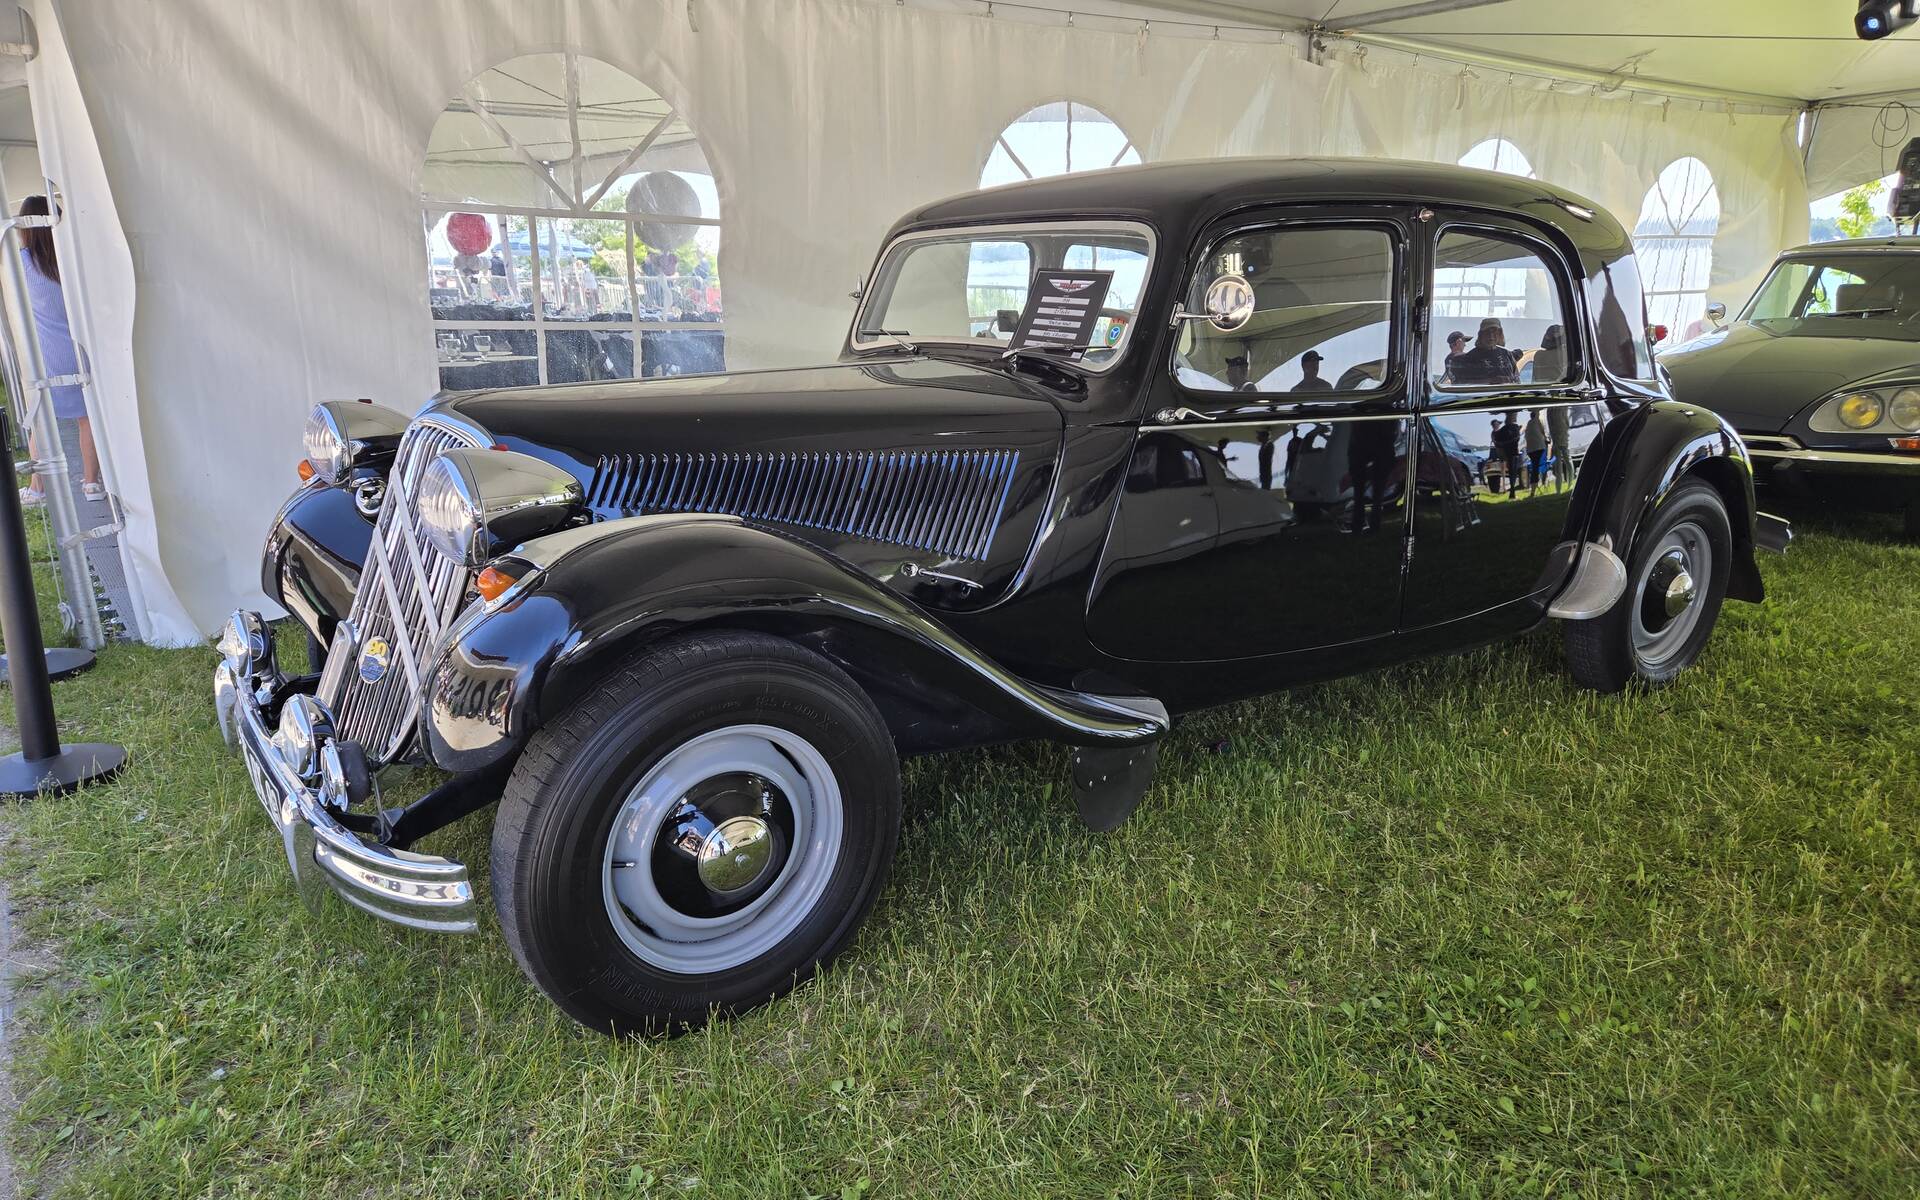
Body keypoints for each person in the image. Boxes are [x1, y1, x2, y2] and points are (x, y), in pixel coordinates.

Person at [17, 195, 102, 506]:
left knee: (41, 420)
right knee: (87, 419)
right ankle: (92, 485)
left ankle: (37, 487)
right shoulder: (71, 261)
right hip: (81, 350)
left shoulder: (23, 263)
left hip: (47, 354)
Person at [1448, 318, 1520, 385]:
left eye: (1495, 332)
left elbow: (1517, 379)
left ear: (1500, 334)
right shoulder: (1470, 358)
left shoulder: (1507, 354)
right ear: (1481, 335)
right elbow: (1460, 383)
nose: (1491, 336)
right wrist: (1490, 381)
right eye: (1487, 332)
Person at [1492, 412, 1523, 497]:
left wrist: (1504, 444)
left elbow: (1497, 441)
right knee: (1513, 472)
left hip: (1508, 453)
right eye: (1515, 415)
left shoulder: (1504, 429)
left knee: (1512, 472)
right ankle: (1512, 492)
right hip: (1513, 452)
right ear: (1511, 417)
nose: (1516, 417)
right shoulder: (1514, 427)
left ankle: (1512, 492)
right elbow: (1516, 439)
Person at [1523, 410, 1549, 495]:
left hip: (1530, 450)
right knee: (1537, 468)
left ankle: (1535, 488)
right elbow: (1543, 432)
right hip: (1538, 448)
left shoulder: (1528, 424)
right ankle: (1537, 487)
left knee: (1535, 467)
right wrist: (1546, 439)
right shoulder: (1537, 421)